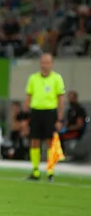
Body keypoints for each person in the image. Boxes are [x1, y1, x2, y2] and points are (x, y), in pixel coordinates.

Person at [23, 53, 65, 182]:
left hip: (50, 113)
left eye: (47, 62)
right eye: (43, 62)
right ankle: (35, 171)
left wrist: (59, 118)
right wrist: (25, 117)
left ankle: (50, 171)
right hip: (36, 112)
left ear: (51, 64)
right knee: (34, 141)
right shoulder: (33, 78)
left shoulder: (57, 78)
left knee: (50, 142)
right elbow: (28, 97)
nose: (45, 65)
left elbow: (61, 99)